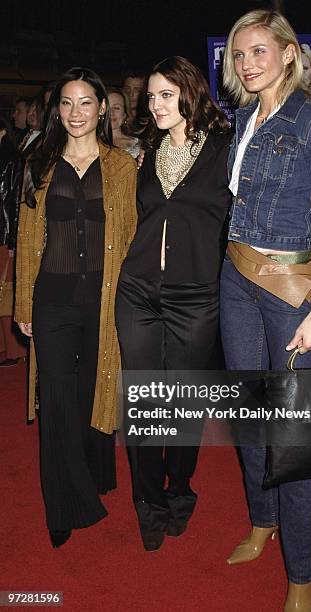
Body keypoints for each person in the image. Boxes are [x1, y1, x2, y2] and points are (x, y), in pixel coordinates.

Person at [220, 10, 311, 612]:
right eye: (240, 54)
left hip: (290, 290)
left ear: (289, 54)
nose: (247, 64)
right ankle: (261, 521)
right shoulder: (243, 118)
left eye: (259, 52)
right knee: (249, 419)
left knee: (294, 435)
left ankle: (302, 575)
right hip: (236, 281)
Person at [15, 67, 137, 549]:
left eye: (86, 103)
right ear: (55, 110)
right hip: (53, 302)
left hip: (104, 303)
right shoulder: (39, 163)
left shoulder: (123, 166)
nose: (76, 113)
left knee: (93, 395)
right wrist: (23, 301)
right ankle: (62, 506)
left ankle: (92, 474)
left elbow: (128, 239)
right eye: (66, 103)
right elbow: (27, 241)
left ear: (103, 108)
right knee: (57, 403)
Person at [115, 56, 232, 552]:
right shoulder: (148, 152)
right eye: (152, 96)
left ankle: (179, 488)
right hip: (138, 291)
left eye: (167, 95)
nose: (157, 105)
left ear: (190, 94)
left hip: (197, 297)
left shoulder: (225, 150)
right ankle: (148, 501)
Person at [0, 115, 25, 366]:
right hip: (3, 231)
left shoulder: (9, 158)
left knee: (6, 294)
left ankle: (14, 351)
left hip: (3, 233)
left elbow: (10, 201)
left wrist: (11, 239)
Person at [107, 88, 141, 158]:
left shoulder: (138, 145)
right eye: (107, 108)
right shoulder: (90, 143)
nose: (111, 113)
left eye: (116, 108)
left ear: (125, 114)